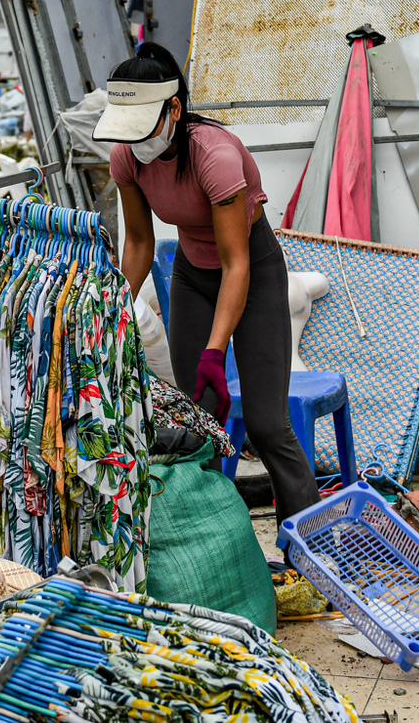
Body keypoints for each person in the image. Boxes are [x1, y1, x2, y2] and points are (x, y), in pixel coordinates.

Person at [98, 41, 321, 524]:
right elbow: (137, 242)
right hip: (192, 275)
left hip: (252, 273)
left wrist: (215, 352)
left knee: (265, 424)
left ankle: (307, 534)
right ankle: (218, 531)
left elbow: (236, 262)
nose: (136, 142)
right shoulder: (127, 157)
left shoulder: (213, 155)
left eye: (143, 127)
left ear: (174, 108)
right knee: (197, 419)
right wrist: (110, 310)